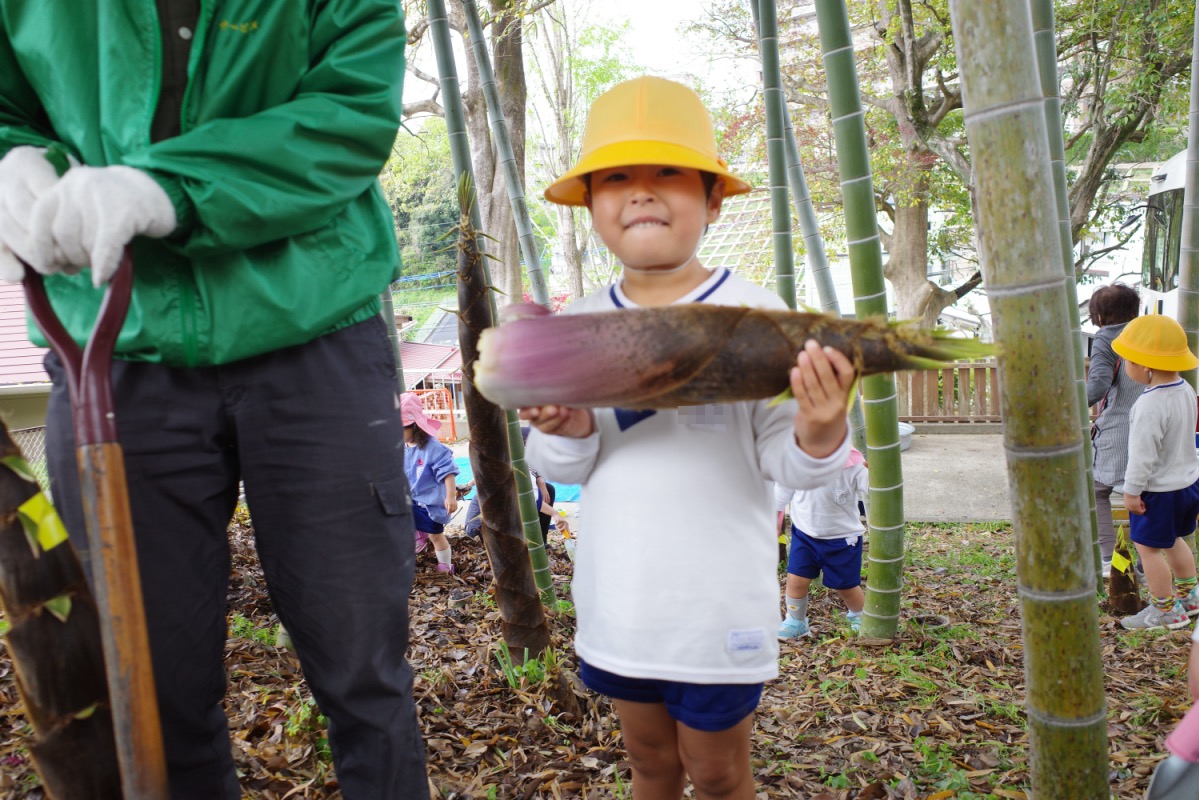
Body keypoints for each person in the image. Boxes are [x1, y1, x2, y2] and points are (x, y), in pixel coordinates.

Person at [0, 5, 427, 797]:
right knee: (155, 694)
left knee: (364, 674)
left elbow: (352, 111)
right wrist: (11, 162)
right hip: (113, 342)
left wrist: (166, 187)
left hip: (315, 326)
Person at [522, 76, 856, 800]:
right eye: (617, 177)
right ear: (590, 205)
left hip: (716, 610)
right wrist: (566, 428)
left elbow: (788, 463)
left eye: (668, 171)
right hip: (620, 604)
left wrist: (822, 424)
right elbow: (557, 463)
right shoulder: (575, 327)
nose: (642, 191)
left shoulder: (758, 317)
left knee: (718, 772)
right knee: (649, 767)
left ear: (712, 200)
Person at [1113, 315, 1199, 630]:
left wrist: (1131, 492)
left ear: (1145, 366)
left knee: (1148, 549)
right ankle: (1191, 597)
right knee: (1175, 540)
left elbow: (1142, 456)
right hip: (1187, 484)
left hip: (1158, 492)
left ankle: (1165, 610)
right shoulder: (1186, 389)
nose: (1126, 365)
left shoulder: (1149, 404)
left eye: (1128, 360)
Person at [776, 449, 870, 638]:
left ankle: (860, 616)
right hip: (805, 536)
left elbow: (874, 489)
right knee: (796, 580)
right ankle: (796, 620)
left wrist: (875, 474)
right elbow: (779, 497)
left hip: (843, 539)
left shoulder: (853, 465)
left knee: (846, 586)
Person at [1086, 284, 1142, 574]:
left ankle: (1111, 560)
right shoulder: (1147, 332)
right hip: (1152, 426)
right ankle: (1144, 566)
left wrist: (1064, 405)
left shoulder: (1107, 337)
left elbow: (1098, 385)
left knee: (1097, 491)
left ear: (1099, 315)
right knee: (1143, 496)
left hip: (1119, 428)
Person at [402, 392, 459, 572]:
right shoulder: (402, 446)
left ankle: (446, 565)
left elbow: (447, 472)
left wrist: (451, 497)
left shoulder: (432, 447)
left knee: (436, 535)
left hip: (430, 503)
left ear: (415, 426)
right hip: (410, 499)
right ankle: (419, 535)